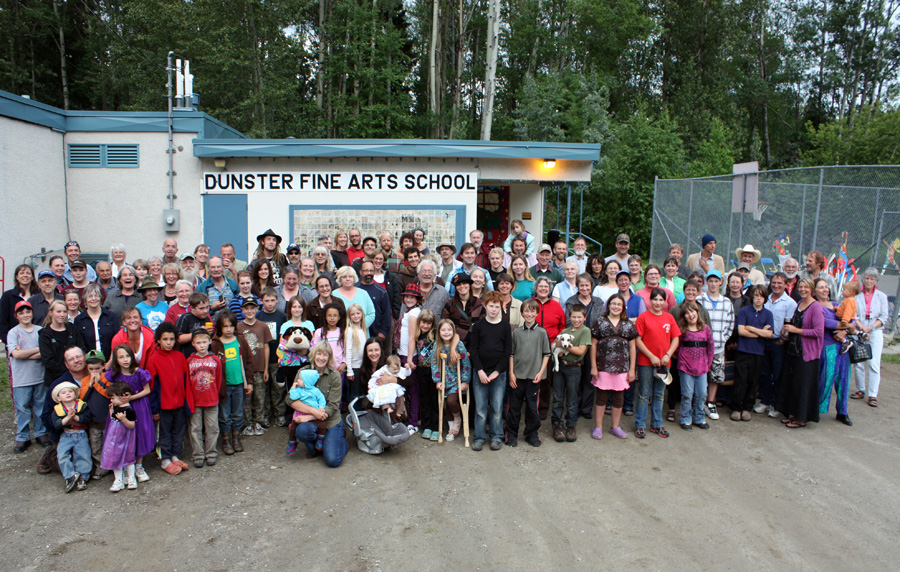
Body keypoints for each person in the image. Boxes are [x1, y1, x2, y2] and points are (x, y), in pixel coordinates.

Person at [286, 341, 349, 466]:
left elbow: (333, 406)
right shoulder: (302, 372)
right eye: (319, 354)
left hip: (330, 421)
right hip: (310, 420)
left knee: (333, 461)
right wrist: (313, 412)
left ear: (329, 357)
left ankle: (340, 440)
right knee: (301, 432)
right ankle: (315, 448)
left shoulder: (334, 375)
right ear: (313, 355)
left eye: (325, 355)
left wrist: (310, 416)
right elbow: (290, 399)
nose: (321, 358)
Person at [776, 278, 824, 428]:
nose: (802, 289)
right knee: (793, 383)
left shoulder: (816, 307)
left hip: (807, 353)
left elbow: (818, 331)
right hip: (794, 350)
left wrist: (796, 330)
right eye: (800, 287)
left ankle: (801, 418)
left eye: (806, 287)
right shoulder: (799, 304)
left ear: (812, 289)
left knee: (803, 385)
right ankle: (792, 413)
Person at [634, 288, 681, 439]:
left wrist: (668, 355)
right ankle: (640, 425)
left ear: (666, 302)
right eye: (655, 299)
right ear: (650, 301)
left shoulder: (669, 318)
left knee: (660, 394)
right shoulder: (643, 317)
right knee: (644, 394)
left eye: (661, 300)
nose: (658, 303)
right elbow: (637, 339)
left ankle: (656, 423)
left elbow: (675, 338)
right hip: (646, 363)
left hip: (664, 363)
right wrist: (651, 356)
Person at [468, 292, 512, 451]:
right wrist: (479, 370)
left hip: (498, 374)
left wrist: (496, 372)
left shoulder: (505, 326)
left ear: (501, 307)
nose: (494, 309)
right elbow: (473, 350)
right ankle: (479, 437)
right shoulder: (478, 326)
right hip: (480, 372)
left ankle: (496, 436)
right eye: (491, 306)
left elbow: (508, 352)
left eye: (497, 306)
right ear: (485, 306)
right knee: (480, 408)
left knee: (497, 407)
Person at [145, 322, 191, 475]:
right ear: (158, 340)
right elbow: (152, 386)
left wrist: (187, 403)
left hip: (179, 402)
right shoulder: (154, 359)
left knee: (178, 430)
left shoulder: (180, 356)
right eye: (165, 339)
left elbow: (185, 381)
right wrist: (154, 408)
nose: (169, 343)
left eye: (172, 339)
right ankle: (164, 459)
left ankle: (174, 455)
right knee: (164, 432)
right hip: (164, 404)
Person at [589, 294, 637, 440]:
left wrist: (632, 369)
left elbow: (633, 347)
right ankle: (598, 427)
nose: (616, 306)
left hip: (622, 367)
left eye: (619, 304)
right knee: (601, 397)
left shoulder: (628, 324)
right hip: (603, 365)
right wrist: (593, 366)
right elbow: (593, 345)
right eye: (613, 303)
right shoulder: (600, 322)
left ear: (623, 308)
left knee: (618, 398)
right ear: (608, 305)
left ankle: (615, 427)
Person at [105, 344, 155, 483]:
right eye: (121, 357)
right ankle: (126, 467)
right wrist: (116, 401)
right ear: (116, 359)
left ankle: (138, 466)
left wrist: (130, 398)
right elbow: (111, 391)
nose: (125, 360)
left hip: (138, 406)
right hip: (121, 408)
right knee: (122, 436)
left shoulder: (139, 372)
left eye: (127, 356)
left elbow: (147, 390)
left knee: (139, 434)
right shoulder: (114, 374)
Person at [507, 299, 550, 447]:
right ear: (522, 313)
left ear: (537, 313)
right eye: (526, 311)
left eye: (532, 311)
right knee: (514, 407)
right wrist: (511, 373)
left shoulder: (542, 332)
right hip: (517, 377)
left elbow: (546, 354)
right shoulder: (516, 332)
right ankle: (511, 434)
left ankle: (531, 434)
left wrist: (541, 372)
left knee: (532, 408)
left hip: (534, 377)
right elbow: (511, 354)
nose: (529, 314)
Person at [8, 301, 49, 453]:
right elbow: (16, 354)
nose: (25, 315)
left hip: (39, 376)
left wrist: (24, 353)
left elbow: (44, 353)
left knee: (40, 407)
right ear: (16, 316)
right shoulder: (13, 332)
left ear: (32, 313)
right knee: (23, 409)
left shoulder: (40, 330)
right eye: (21, 313)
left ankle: (40, 433)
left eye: (27, 312)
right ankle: (23, 436)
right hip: (21, 378)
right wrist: (35, 350)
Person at [756, 272, 798, 417]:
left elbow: (790, 323)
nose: (776, 285)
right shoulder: (765, 299)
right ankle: (765, 401)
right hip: (763, 340)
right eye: (774, 282)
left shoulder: (790, 303)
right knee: (764, 373)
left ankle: (776, 404)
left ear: (786, 284)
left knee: (778, 374)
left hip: (778, 342)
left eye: (780, 283)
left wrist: (783, 340)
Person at [729, 285, 773, 421]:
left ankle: (747, 407)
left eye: (761, 296)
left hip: (758, 352)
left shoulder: (768, 314)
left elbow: (769, 334)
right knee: (740, 380)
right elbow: (741, 331)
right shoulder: (744, 311)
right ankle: (736, 407)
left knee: (753, 381)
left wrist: (751, 328)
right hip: (743, 350)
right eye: (756, 295)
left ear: (765, 298)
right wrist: (761, 332)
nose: (758, 299)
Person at [211, 312, 253, 455]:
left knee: (238, 413)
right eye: (225, 326)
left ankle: (236, 439)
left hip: (239, 384)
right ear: (220, 328)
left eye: (231, 326)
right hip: (224, 386)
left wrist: (250, 382)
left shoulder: (240, 340)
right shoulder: (216, 343)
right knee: (224, 415)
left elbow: (248, 362)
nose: (229, 329)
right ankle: (226, 440)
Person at [813, 278, 853, 426]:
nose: (825, 290)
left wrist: (845, 330)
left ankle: (842, 411)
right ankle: (817, 408)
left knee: (844, 380)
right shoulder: (816, 306)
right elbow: (824, 323)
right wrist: (844, 326)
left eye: (826, 287)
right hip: (828, 346)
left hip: (842, 348)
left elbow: (852, 319)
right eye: (821, 287)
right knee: (826, 378)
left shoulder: (837, 305)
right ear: (815, 291)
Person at [565, 274, 604, 419]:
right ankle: (573, 407)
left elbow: (600, 322)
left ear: (591, 286)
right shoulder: (571, 301)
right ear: (577, 286)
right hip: (575, 344)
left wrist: (590, 336)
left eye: (587, 285)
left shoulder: (598, 302)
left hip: (593, 344)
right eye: (581, 285)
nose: (584, 288)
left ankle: (586, 408)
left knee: (589, 377)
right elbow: (569, 322)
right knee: (575, 378)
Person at [551, 303, 591, 443]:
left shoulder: (585, 331)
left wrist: (563, 345)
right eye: (574, 317)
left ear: (584, 318)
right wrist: (559, 350)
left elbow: (581, 351)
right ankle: (557, 424)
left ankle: (571, 426)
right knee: (557, 397)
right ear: (569, 317)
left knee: (572, 398)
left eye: (579, 317)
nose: (576, 320)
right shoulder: (565, 331)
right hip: (560, 367)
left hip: (574, 368)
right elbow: (555, 346)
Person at [698, 269, 734, 419]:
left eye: (716, 281)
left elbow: (730, 324)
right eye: (710, 281)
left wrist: (723, 339)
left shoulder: (726, 302)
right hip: (701, 346)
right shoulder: (700, 300)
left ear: (720, 282)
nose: (713, 284)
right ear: (707, 282)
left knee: (716, 375)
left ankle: (711, 403)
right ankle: (699, 403)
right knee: (700, 374)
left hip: (718, 347)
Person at [429, 319, 471, 444]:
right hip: (444, 380)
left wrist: (465, 381)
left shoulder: (459, 345)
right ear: (439, 332)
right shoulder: (437, 345)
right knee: (445, 404)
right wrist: (437, 380)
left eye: (449, 329)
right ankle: (451, 429)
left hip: (456, 381)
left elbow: (466, 363)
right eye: (443, 330)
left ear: (453, 331)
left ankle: (457, 420)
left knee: (451, 401)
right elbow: (434, 363)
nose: (446, 332)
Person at [851, 267, 888, 407]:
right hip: (859, 329)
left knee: (873, 363)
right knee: (858, 361)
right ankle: (861, 389)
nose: (869, 281)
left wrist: (871, 328)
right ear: (863, 279)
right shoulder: (856, 295)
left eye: (872, 279)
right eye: (867, 278)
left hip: (875, 331)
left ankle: (873, 394)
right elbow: (853, 314)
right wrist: (861, 327)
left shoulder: (881, 296)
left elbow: (884, 316)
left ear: (876, 281)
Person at [675, 301, 714, 431]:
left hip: (702, 366)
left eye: (692, 311)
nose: (690, 315)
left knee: (702, 393)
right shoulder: (682, 330)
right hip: (686, 366)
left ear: (697, 313)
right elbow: (676, 346)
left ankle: (699, 417)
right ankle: (686, 419)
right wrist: (681, 359)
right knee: (687, 394)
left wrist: (708, 363)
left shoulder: (705, 328)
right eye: (687, 313)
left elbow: (710, 346)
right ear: (684, 316)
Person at [186, 329, 222, 468]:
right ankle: (198, 455)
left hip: (211, 400)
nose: (202, 345)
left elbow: (218, 380)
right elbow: (187, 382)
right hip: (195, 401)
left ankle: (211, 453)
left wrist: (215, 394)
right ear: (193, 344)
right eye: (198, 343)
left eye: (204, 342)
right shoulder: (189, 361)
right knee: (195, 428)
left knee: (212, 427)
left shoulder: (215, 360)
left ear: (209, 342)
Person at [532, 276, 566, 420]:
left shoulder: (556, 306)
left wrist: (558, 343)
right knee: (531, 378)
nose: (543, 289)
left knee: (546, 379)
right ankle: (531, 406)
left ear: (550, 289)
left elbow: (563, 326)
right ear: (536, 288)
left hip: (550, 348)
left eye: (546, 286)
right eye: (541, 286)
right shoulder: (530, 303)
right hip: (532, 346)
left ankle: (543, 407)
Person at [238, 297, 273, 436]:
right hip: (245, 369)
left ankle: (259, 421)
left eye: (252, 308)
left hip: (259, 367)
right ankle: (248, 423)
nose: (249, 311)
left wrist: (266, 368)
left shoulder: (262, 326)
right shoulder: (239, 327)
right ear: (242, 310)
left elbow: (266, 347)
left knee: (260, 395)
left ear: (257, 309)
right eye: (246, 308)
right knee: (247, 397)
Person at [50, 381, 92, 492]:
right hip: (66, 434)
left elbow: (87, 418)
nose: (68, 394)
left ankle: (83, 476)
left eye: (70, 391)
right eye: (63, 392)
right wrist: (68, 418)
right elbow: (56, 424)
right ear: (58, 398)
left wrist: (76, 418)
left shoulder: (81, 405)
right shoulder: (57, 409)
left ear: (75, 394)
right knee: (62, 455)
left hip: (81, 433)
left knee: (83, 455)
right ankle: (69, 476)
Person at [101, 381, 138, 492]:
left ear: (124, 396)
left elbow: (131, 425)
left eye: (113, 398)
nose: (112, 400)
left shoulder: (129, 410)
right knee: (115, 457)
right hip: (114, 439)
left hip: (126, 439)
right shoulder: (117, 408)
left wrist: (124, 420)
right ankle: (118, 480)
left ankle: (131, 478)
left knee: (129, 458)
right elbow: (113, 419)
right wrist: (111, 411)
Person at [39, 300, 86, 386]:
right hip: (55, 379)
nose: (62, 315)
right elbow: (48, 361)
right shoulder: (45, 334)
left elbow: (81, 349)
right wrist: (67, 374)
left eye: (64, 312)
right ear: (50, 313)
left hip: (77, 377)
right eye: (58, 311)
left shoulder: (72, 329)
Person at [259, 288, 287, 424]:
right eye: (266, 301)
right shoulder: (259, 317)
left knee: (278, 387)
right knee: (264, 388)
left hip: (277, 359)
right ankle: (265, 414)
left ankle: (279, 414)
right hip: (262, 359)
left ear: (277, 300)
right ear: (261, 301)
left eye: (272, 300)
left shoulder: (282, 316)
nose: (269, 304)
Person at [286, 370, 329, 454]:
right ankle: (292, 442)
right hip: (300, 413)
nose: (298, 380)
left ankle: (320, 439)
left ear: (307, 381)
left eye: (300, 379)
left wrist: (321, 407)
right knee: (292, 428)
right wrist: (293, 388)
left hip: (314, 414)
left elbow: (322, 400)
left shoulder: (316, 391)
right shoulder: (299, 390)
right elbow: (293, 397)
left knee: (322, 425)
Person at [410, 313, 438, 440]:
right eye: (423, 322)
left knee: (434, 398)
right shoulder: (417, 335)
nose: (425, 326)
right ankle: (426, 425)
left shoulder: (435, 334)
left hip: (434, 370)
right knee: (425, 397)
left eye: (428, 323)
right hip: (422, 370)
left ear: (432, 324)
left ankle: (436, 426)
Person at [75, 284, 120, 359]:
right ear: (85, 298)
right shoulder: (79, 320)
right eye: (90, 296)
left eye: (96, 295)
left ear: (100, 297)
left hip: (111, 359)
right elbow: (79, 344)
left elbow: (117, 341)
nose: (93, 299)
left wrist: (111, 361)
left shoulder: (111, 316)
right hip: (89, 361)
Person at [108, 306, 155, 370]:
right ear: (124, 322)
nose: (132, 320)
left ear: (141, 321)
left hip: (146, 374)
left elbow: (152, 364)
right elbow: (114, 364)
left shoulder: (150, 338)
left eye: (135, 317)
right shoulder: (117, 339)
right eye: (128, 318)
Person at [356, 260, 391, 344]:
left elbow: (386, 313)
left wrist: (383, 331)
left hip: (376, 334)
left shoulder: (381, 292)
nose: (369, 273)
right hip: (357, 333)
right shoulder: (354, 289)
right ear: (360, 272)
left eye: (371, 270)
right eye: (366, 270)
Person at [1, 264, 38, 342]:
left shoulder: (39, 295)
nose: (25, 275)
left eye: (28, 273)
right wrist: (8, 342)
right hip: (15, 341)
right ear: (17, 277)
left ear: (32, 277)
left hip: (37, 340)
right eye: (21, 273)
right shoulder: (8, 296)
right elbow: (2, 320)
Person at [443, 274, 485, 341]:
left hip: (474, 342)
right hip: (455, 342)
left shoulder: (480, 304)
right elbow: (444, 324)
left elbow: (483, 326)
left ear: (469, 285)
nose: (462, 286)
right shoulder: (450, 304)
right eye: (458, 284)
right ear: (456, 287)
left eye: (464, 283)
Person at [174, 292, 213, 357]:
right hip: (187, 357)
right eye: (201, 308)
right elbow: (178, 339)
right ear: (192, 308)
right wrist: (198, 332)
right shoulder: (185, 318)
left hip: (203, 358)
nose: (205, 311)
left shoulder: (206, 318)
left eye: (207, 307)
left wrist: (209, 333)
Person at [344, 303, 368, 403]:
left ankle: (361, 415)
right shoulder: (350, 331)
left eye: (358, 313)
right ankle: (354, 415)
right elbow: (348, 351)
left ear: (362, 314)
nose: (356, 316)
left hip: (363, 367)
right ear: (349, 316)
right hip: (355, 368)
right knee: (355, 395)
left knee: (362, 393)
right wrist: (349, 370)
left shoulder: (363, 330)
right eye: (352, 314)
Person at [832, 280, 859, 352]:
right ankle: (858, 333)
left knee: (836, 333)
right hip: (844, 318)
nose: (842, 291)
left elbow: (848, 311)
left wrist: (845, 320)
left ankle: (846, 342)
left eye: (844, 289)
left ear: (851, 291)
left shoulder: (850, 300)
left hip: (845, 320)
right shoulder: (847, 300)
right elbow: (842, 308)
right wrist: (837, 308)